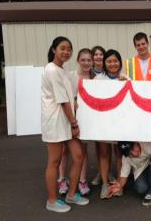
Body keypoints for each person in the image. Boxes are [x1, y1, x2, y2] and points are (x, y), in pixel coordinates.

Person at [42, 36, 89, 213]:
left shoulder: (62, 70)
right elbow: (62, 101)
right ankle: (52, 200)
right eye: (62, 48)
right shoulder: (52, 70)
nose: (66, 52)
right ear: (54, 49)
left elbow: (70, 97)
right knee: (54, 161)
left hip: (66, 120)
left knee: (78, 155)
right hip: (55, 121)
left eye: (69, 49)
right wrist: (74, 123)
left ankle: (71, 194)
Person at [57, 48, 94, 196]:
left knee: (82, 151)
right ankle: (61, 179)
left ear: (92, 62)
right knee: (64, 150)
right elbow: (64, 97)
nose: (86, 63)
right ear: (78, 61)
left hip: (85, 120)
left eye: (89, 60)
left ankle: (82, 180)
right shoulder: (69, 76)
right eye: (83, 60)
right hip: (68, 118)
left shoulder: (95, 80)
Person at [94, 49, 127, 198]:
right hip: (103, 125)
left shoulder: (126, 79)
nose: (112, 64)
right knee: (104, 154)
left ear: (120, 62)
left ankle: (119, 184)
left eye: (115, 61)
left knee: (120, 155)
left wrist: (126, 83)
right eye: (109, 61)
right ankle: (105, 184)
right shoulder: (97, 81)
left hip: (121, 125)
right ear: (104, 63)